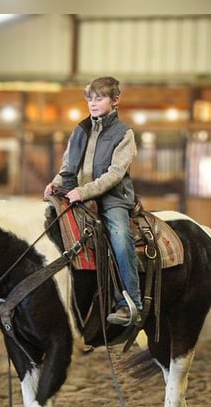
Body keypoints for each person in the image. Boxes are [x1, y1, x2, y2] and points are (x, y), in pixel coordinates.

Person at [43, 76, 142, 326]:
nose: (93, 104)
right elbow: (68, 166)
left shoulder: (124, 133)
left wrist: (85, 192)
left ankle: (130, 303)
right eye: (90, 99)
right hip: (77, 191)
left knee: (120, 235)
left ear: (115, 100)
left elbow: (115, 174)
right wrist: (56, 183)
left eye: (100, 98)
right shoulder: (80, 130)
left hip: (113, 197)